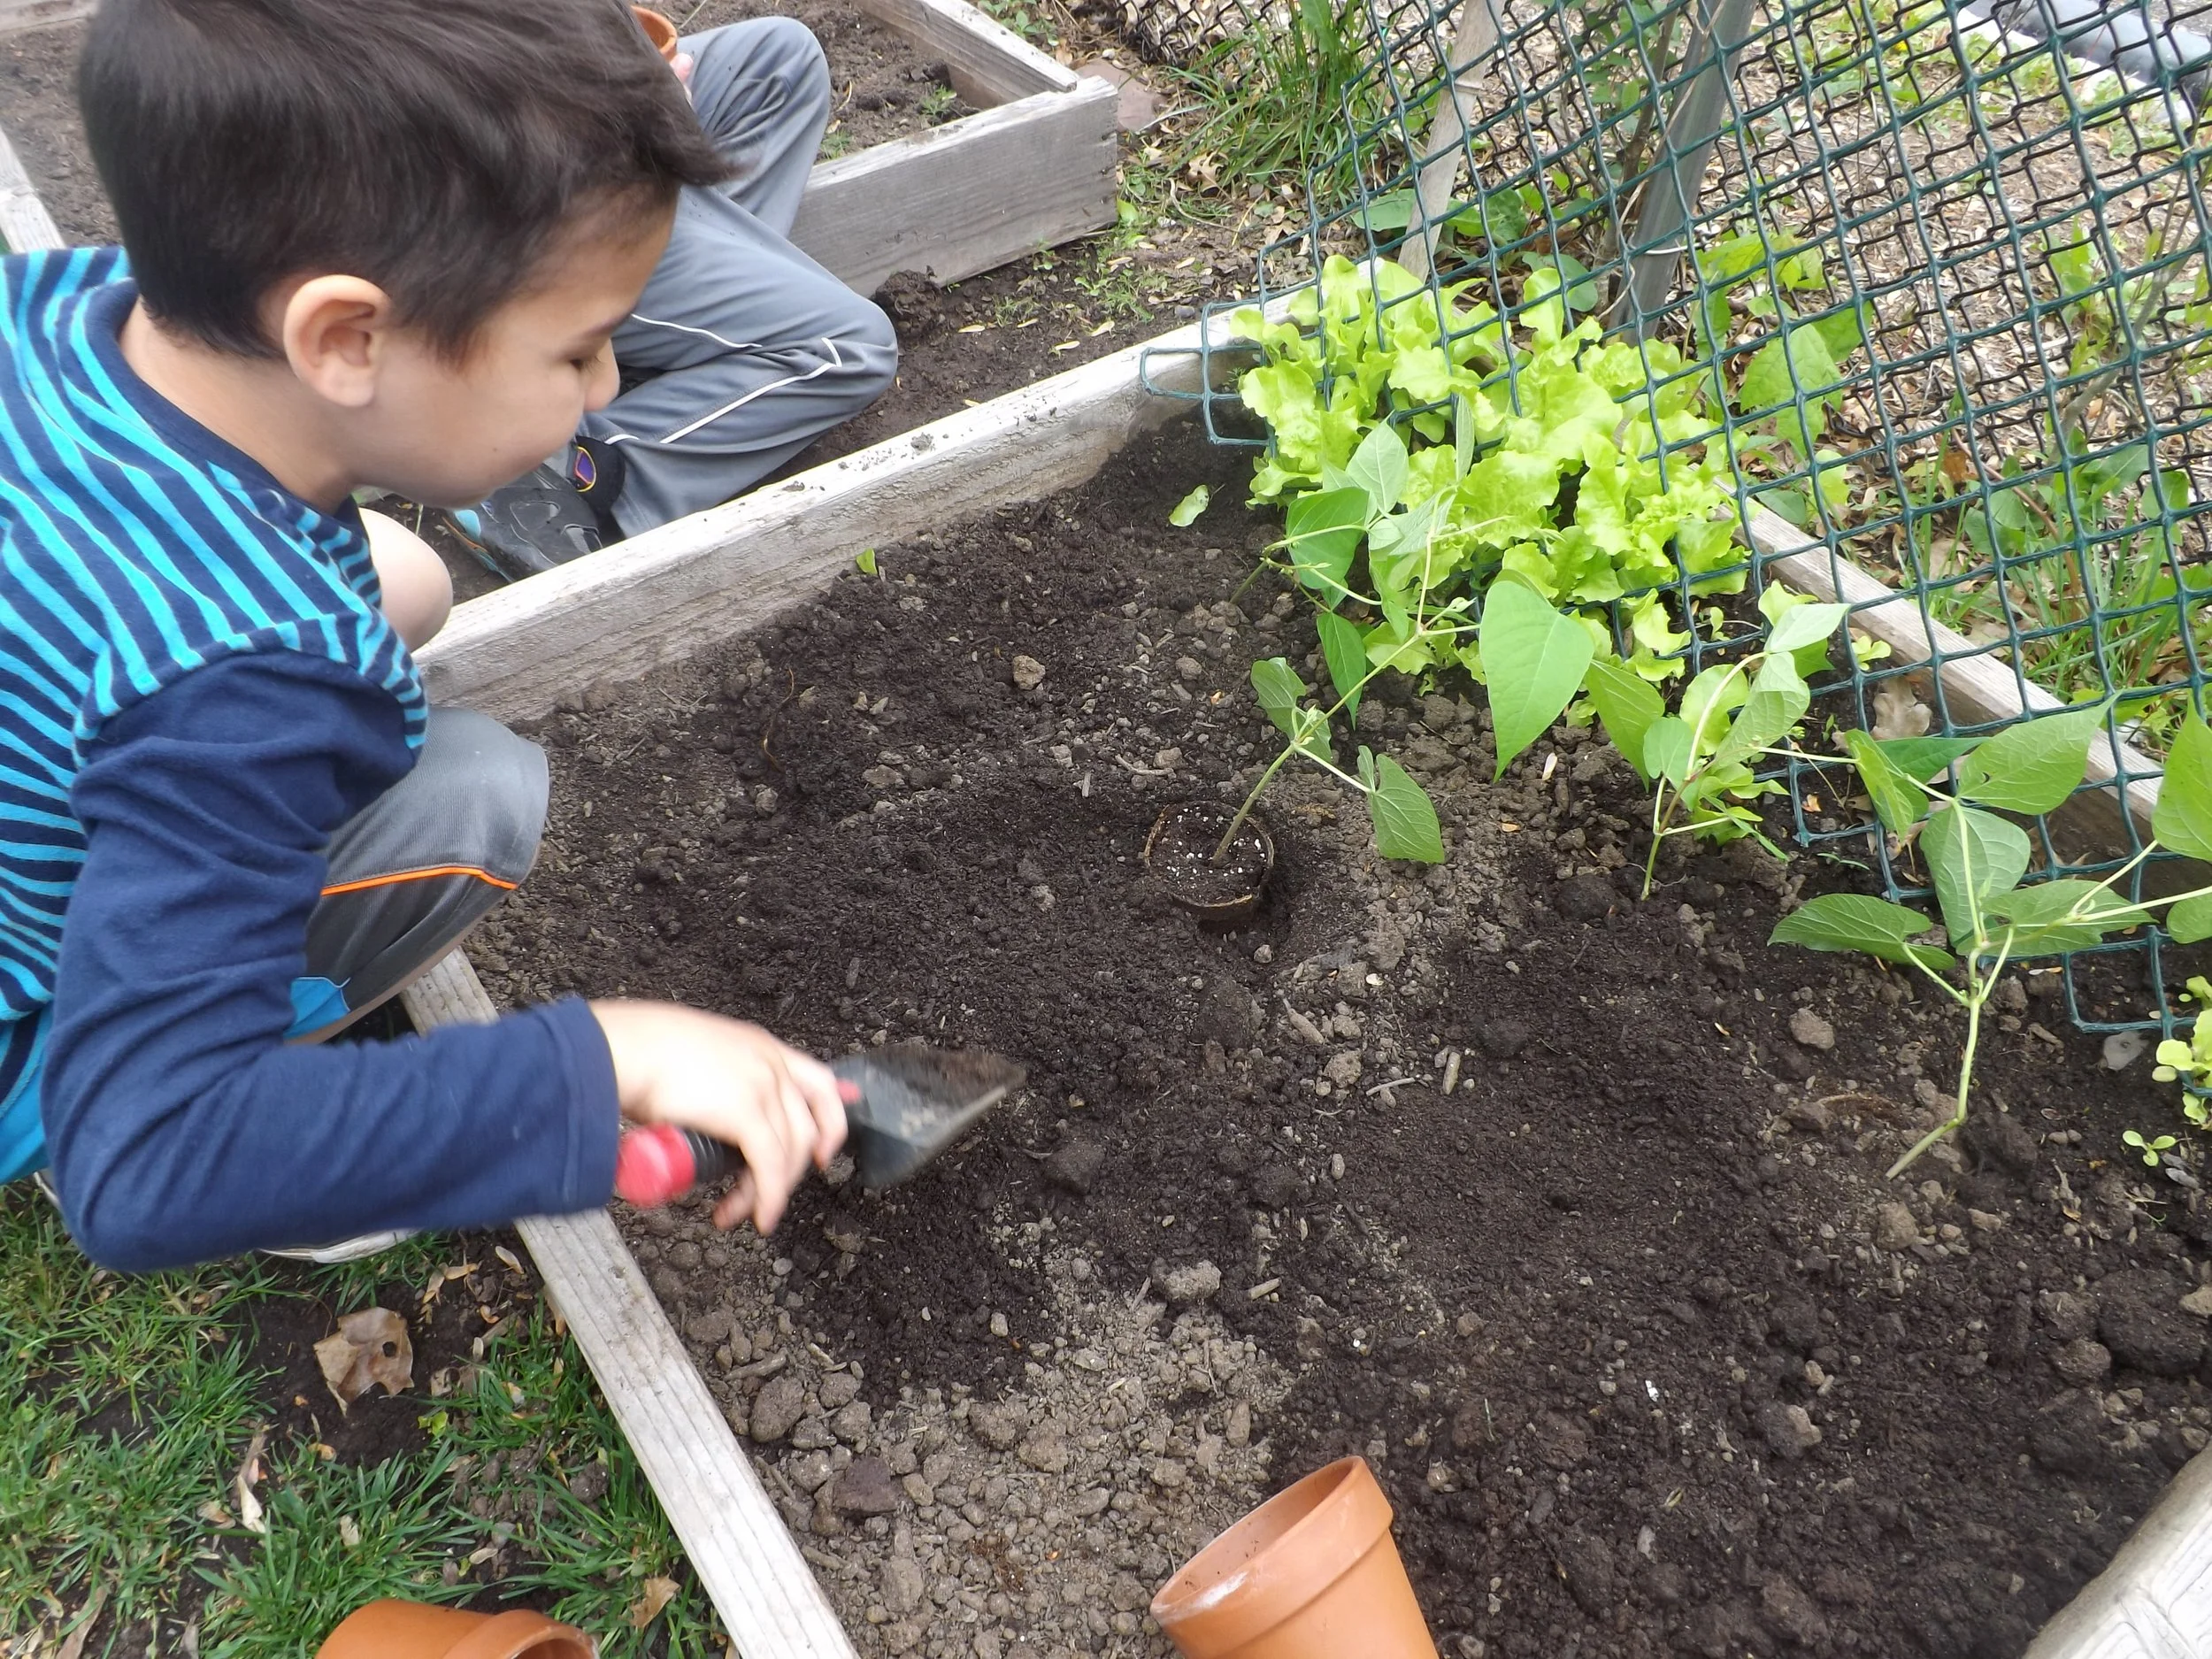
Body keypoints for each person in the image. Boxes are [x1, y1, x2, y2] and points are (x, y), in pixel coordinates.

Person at [0, 0, 849, 1271]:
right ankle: (72, 1085)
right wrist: (603, 1054)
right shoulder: (247, 676)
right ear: (347, 338)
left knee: (406, 581)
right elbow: (157, 1157)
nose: (610, 389)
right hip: (59, 1038)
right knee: (479, 790)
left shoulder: (59, 306)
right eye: (578, 352)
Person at [445, 9, 899, 579]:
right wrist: (640, 125)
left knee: (777, 62)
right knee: (848, 347)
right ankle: (567, 463)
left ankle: (661, 345)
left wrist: (637, 83)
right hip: (498, 212)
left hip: (538, 133)